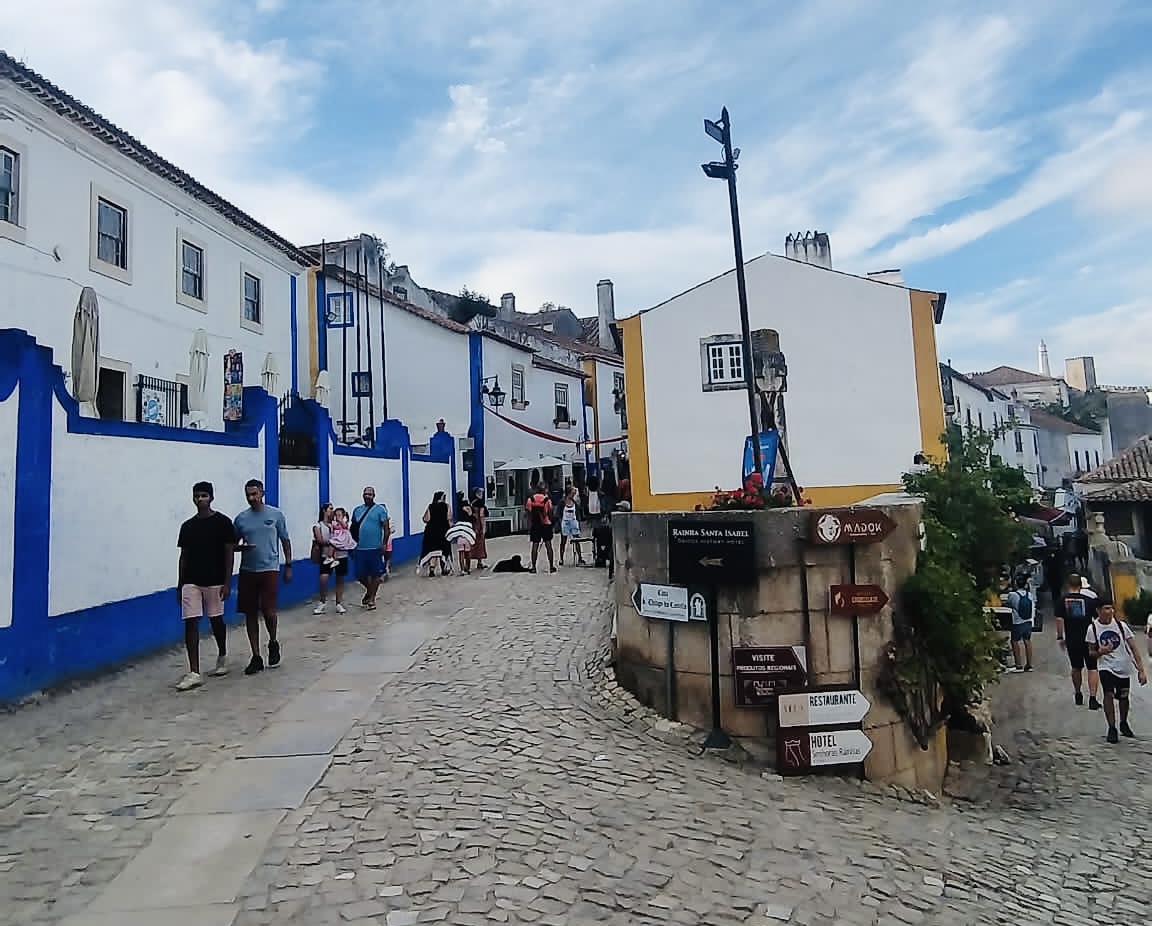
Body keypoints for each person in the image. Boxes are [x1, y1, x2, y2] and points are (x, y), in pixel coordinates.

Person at [175, 481, 236, 690]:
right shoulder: (187, 526)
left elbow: (229, 553)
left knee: (216, 620)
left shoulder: (223, 523)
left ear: (211, 497)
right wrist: (180, 584)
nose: (200, 499)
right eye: (196, 496)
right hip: (191, 580)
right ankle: (194, 671)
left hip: (215, 580)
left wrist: (228, 582)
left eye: (203, 495)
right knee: (190, 622)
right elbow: (183, 556)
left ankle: (222, 654)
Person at [233, 478, 291, 676]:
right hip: (248, 569)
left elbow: (285, 540)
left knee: (268, 610)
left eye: (255, 494)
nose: (252, 498)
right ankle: (255, 655)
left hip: (269, 568)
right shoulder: (241, 519)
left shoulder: (275, 515)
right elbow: (232, 544)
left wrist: (288, 565)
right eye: (248, 495)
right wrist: (240, 547)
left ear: (262, 493)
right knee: (250, 613)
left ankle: (273, 641)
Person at [1086, 598, 1147, 742]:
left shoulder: (1121, 626)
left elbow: (1134, 648)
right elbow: (1091, 652)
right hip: (1106, 666)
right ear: (1098, 610)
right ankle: (1111, 728)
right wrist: (1100, 651)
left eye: (1111, 608)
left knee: (1124, 697)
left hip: (1123, 666)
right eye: (1106, 608)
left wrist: (1141, 670)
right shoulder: (1092, 629)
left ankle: (1124, 722)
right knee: (1108, 694)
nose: (1110, 611)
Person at [1055, 573, 1101, 709]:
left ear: (1067, 585)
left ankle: (1078, 693)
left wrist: (1060, 637)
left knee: (1076, 667)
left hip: (1072, 639)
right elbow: (1097, 619)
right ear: (1081, 586)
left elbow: (1059, 619)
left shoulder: (1062, 600)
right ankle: (1093, 698)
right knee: (1092, 668)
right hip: (1089, 639)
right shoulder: (1089, 601)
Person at [351, 487, 390, 610]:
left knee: (376, 574)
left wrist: (384, 543)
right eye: (365, 494)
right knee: (359, 575)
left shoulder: (380, 510)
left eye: (370, 494)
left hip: (375, 548)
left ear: (374, 496)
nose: (367, 496)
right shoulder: (357, 510)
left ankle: (372, 599)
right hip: (360, 548)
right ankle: (370, 590)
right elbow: (353, 528)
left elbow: (386, 528)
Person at [312, 504, 351, 616]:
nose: (332, 511)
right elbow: (320, 540)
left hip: (341, 555)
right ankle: (322, 601)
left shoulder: (339, 524)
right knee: (323, 578)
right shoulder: (319, 525)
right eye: (330, 509)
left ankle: (339, 602)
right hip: (326, 555)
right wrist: (335, 542)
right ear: (324, 511)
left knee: (340, 578)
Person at [525, 483, 556, 574]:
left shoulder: (530, 499)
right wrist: (552, 523)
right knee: (548, 546)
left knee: (535, 546)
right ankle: (551, 567)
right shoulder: (547, 500)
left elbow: (528, 513)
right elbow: (550, 513)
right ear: (544, 490)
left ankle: (534, 567)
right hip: (546, 524)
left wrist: (530, 524)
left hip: (535, 525)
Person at [420, 491, 452, 577]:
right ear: (441, 497)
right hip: (443, 531)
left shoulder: (430, 506)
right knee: (443, 551)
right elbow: (449, 518)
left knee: (433, 551)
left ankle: (432, 569)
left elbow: (426, 519)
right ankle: (443, 569)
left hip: (431, 532)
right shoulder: (447, 506)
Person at [1006, 574, 1034, 672]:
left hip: (1017, 621)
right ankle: (1029, 665)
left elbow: (1008, 603)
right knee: (1027, 641)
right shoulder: (1029, 595)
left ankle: (1018, 665)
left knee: (1014, 641)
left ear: (1016, 584)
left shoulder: (1013, 595)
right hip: (1028, 621)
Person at [558, 484, 582, 565]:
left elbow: (578, 514)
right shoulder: (562, 502)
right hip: (565, 522)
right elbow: (558, 513)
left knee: (577, 540)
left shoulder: (575, 502)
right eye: (573, 492)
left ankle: (580, 557)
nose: (574, 493)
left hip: (573, 522)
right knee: (563, 541)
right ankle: (561, 558)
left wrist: (579, 523)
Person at [468, 488, 489, 570]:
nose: (482, 494)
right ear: (477, 494)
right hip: (478, 525)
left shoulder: (471, 503)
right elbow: (481, 515)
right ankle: (479, 562)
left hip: (472, 525)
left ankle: (468, 562)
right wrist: (483, 527)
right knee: (480, 543)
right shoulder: (481, 503)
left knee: (471, 543)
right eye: (480, 493)